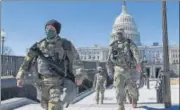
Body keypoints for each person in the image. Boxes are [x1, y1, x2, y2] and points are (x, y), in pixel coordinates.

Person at [16, 19, 86, 110]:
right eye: (47, 28)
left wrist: (79, 75)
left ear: (57, 30)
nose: (49, 30)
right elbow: (27, 61)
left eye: (52, 28)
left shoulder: (65, 44)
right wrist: (20, 76)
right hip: (42, 83)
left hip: (58, 82)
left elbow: (76, 60)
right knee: (45, 106)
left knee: (54, 106)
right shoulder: (38, 45)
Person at [106, 28, 142, 110]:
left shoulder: (129, 43)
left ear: (123, 34)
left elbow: (136, 53)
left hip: (129, 69)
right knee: (118, 87)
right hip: (118, 68)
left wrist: (138, 63)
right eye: (117, 34)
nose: (119, 35)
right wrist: (109, 71)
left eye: (120, 33)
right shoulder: (113, 45)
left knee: (131, 88)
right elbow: (108, 60)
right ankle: (120, 105)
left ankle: (134, 99)